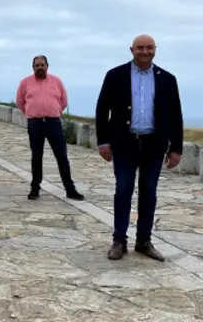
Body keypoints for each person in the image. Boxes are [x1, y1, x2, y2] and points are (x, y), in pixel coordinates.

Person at [96, 34, 183, 262]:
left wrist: (176, 148)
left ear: (155, 49)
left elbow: (175, 115)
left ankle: (144, 240)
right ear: (131, 49)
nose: (145, 52)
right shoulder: (115, 75)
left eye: (149, 48)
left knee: (149, 192)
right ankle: (119, 240)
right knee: (123, 189)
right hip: (124, 144)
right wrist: (103, 141)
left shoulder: (167, 79)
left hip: (154, 145)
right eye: (140, 48)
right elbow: (102, 109)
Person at [15, 55, 84, 201]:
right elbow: (20, 102)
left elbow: (63, 100)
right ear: (33, 67)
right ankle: (35, 188)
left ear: (47, 66)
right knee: (37, 156)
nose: (40, 67)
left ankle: (70, 189)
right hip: (35, 123)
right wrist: (31, 113)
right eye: (37, 65)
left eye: (42, 65)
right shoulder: (25, 83)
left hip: (53, 123)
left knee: (62, 156)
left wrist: (55, 111)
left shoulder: (56, 81)